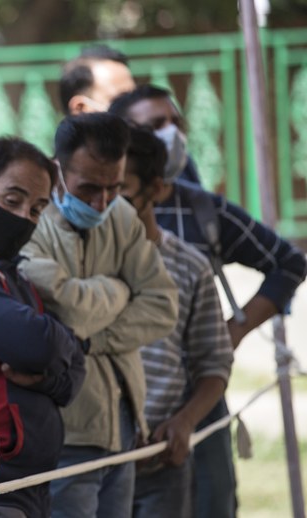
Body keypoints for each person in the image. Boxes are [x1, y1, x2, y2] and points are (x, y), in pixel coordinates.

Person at [109, 84, 307, 518]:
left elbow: (289, 262)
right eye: (155, 125)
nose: (171, 133)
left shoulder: (203, 211)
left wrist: (232, 332)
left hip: (196, 395)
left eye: (175, 122)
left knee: (209, 501)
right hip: (116, 407)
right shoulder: (98, 219)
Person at [19, 112, 179, 518]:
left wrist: (91, 341)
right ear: (57, 169)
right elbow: (67, 307)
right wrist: (121, 289)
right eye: (88, 187)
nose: (101, 202)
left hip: (124, 424)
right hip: (64, 431)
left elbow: (163, 305)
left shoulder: (122, 215)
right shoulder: (25, 218)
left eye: (114, 187)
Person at [0, 137, 85, 518]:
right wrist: (65, 341)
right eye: (13, 201)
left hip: (33, 485)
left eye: (37, 209)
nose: (24, 216)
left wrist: (48, 374)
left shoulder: (13, 271)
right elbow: (40, 344)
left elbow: (75, 374)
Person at [120, 126, 234, 518]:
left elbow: (214, 363)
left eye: (120, 191)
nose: (105, 204)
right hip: (90, 467)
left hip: (161, 465)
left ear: (155, 188)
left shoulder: (189, 265)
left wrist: (184, 422)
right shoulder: (74, 262)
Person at [58, 46, 203, 185]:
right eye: (119, 99)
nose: (130, 106)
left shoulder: (178, 167)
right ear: (81, 109)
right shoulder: (55, 181)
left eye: (132, 96)